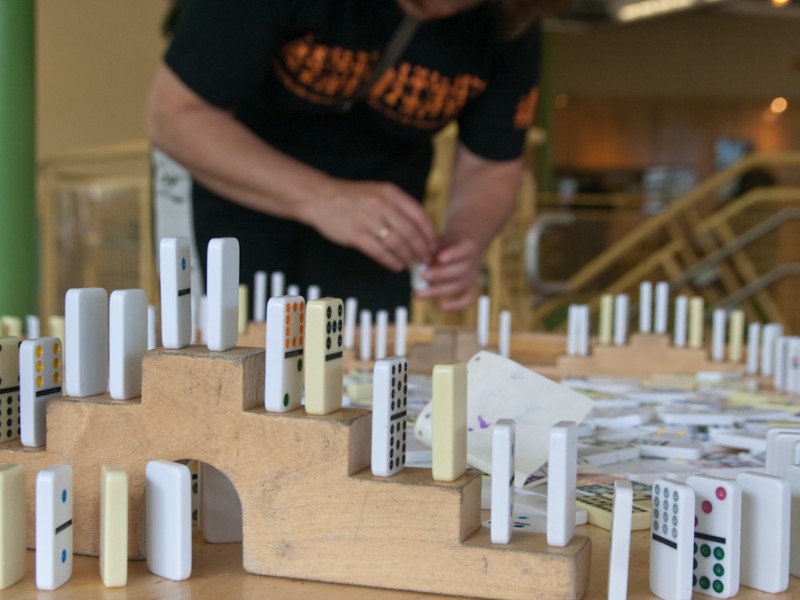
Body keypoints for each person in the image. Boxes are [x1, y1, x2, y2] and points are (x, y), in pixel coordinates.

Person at [147, 0, 560, 313]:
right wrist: (324, 198)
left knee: (354, 375)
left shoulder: (510, 20)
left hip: (376, 216)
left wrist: (466, 239)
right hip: (233, 179)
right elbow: (175, 116)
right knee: (229, 360)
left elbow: (492, 164)